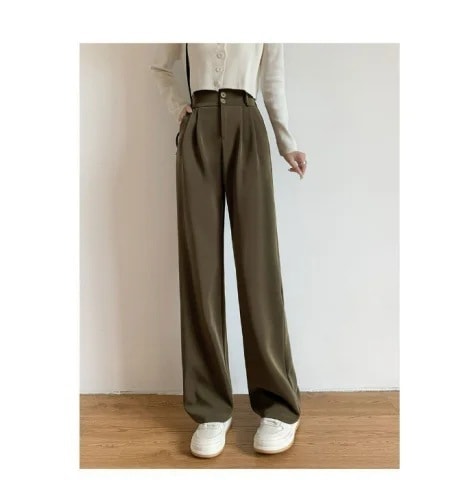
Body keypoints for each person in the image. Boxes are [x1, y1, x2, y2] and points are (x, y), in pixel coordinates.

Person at [150, 43, 307, 458]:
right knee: (200, 269)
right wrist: (180, 108)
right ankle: (210, 409)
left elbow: (272, 81)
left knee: (258, 267)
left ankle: (279, 406)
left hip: (247, 125)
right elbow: (160, 67)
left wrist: (286, 141)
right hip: (198, 127)